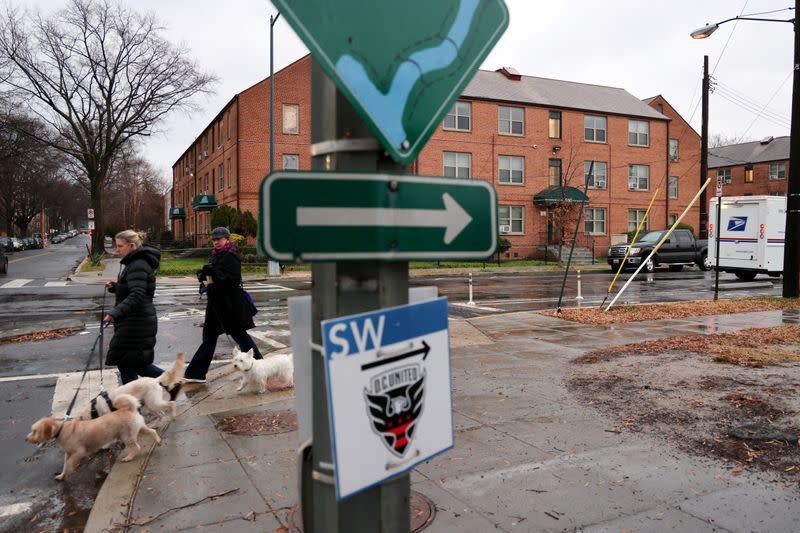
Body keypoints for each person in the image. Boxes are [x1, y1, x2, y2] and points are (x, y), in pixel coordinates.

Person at [184, 227, 262, 383]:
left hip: (229, 304)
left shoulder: (231, 256)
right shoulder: (215, 256)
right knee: (209, 337)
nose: (216, 242)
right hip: (215, 304)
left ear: (227, 239)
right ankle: (196, 373)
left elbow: (232, 280)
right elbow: (214, 276)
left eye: (219, 239)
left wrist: (213, 273)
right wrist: (203, 275)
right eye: (214, 239)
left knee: (240, 335)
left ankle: (260, 365)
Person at [103, 230, 164, 384]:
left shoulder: (138, 264)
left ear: (131, 246)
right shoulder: (135, 263)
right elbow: (134, 289)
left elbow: (138, 295)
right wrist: (116, 287)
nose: (117, 249)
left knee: (128, 362)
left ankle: (132, 401)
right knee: (132, 363)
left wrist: (115, 312)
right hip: (135, 320)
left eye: (120, 246)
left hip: (137, 322)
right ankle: (172, 383)